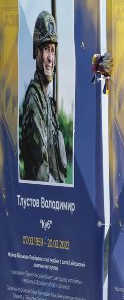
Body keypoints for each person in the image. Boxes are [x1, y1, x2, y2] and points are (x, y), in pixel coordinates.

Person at [20, 10, 68, 183]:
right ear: (37, 52)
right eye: (46, 49)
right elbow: (40, 171)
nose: (50, 58)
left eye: (53, 50)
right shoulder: (34, 98)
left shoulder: (47, 102)